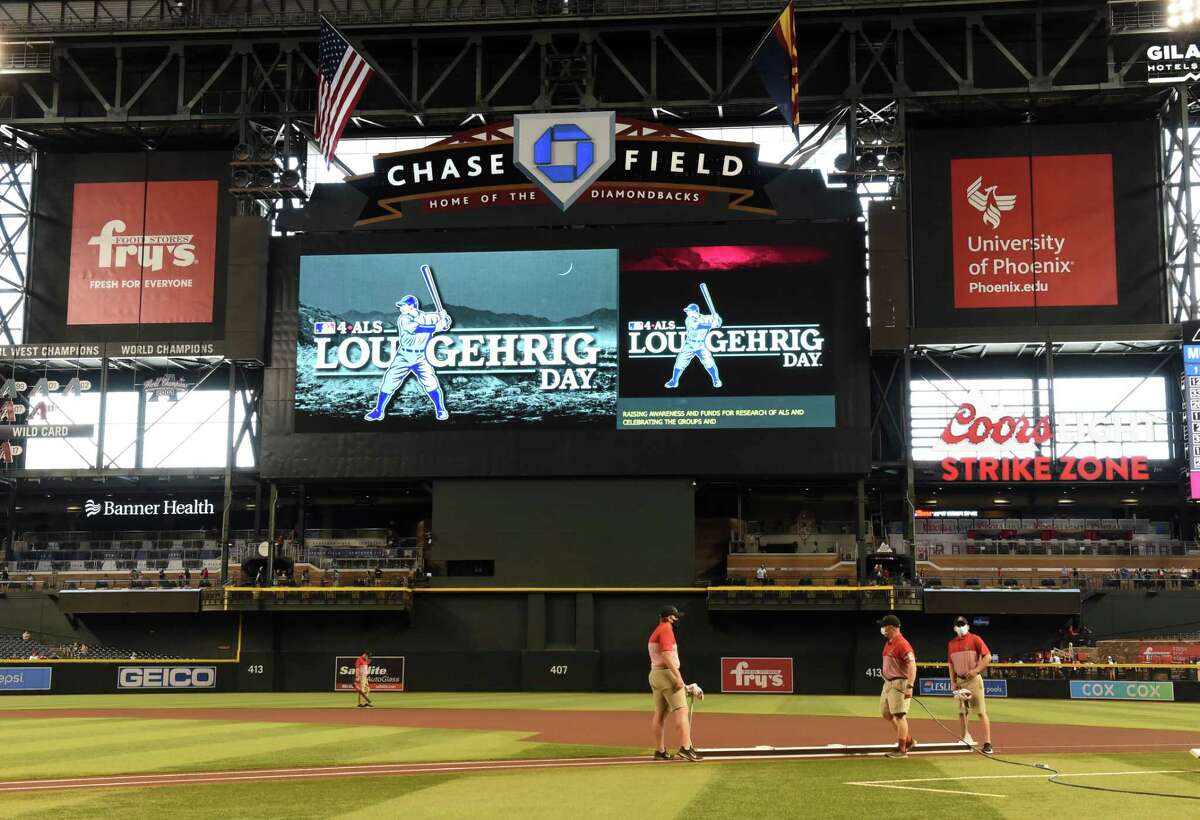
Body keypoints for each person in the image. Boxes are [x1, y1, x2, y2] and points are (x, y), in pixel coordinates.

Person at [364, 294, 453, 422]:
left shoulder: (427, 317)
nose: (400, 308)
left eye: (403, 305)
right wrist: (438, 326)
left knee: (431, 382)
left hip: (421, 356)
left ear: (411, 306)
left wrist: (445, 318)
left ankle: (440, 409)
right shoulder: (403, 319)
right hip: (404, 355)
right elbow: (419, 329)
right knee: (389, 381)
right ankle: (378, 411)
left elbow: (444, 323)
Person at [648, 605, 701, 761]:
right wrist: (678, 677)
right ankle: (686, 748)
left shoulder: (657, 630)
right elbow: (666, 654)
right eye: (675, 617)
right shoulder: (666, 629)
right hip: (666, 674)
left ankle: (660, 751)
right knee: (681, 711)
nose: (677, 619)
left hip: (655, 674)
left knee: (660, 714)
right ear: (669, 617)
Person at [947, 616, 993, 754]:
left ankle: (988, 743)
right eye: (958, 625)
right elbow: (951, 664)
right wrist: (953, 681)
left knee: (980, 712)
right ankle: (965, 738)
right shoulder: (951, 644)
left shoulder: (975, 639)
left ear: (967, 626)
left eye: (963, 624)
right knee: (962, 712)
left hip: (973, 680)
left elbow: (988, 656)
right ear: (954, 627)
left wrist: (976, 670)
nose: (960, 627)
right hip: (960, 681)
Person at [878, 614, 916, 758]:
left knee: (899, 716)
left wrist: (909, 686)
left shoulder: (902, 643)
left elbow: (912, 665)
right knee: (885, 713)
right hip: (888, 683)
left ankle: (902, 750)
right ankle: (909, 740)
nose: (882, 629)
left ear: (891, 627)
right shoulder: (889, 642)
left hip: (899, 683)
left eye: (884, 626)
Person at [664, 302, 722, 389]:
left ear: (695, 311)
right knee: (680, 361)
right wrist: (712, 324)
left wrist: (717, 318)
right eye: (687, 311)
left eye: (689, 311)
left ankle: (716, 379)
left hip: (701, 344)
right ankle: (674, 381)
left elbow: (718, 324)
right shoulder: (689, 319)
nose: (687, 312)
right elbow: (698, 326)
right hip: (690, 344)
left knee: (709, 362)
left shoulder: (705, 318)